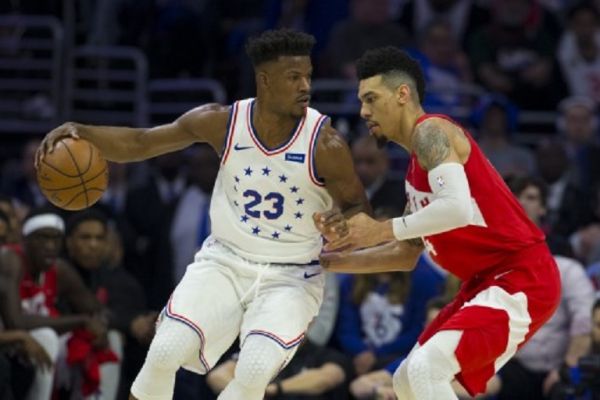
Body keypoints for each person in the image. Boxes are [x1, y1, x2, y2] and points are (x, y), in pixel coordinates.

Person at [36, 29, 369, 400]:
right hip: (224, 261)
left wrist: (345, 221)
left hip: (291, 275)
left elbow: (359, 207)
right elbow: (143, 142)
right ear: (264, 80)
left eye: (308, 75)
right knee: (164, 350)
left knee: (255, 369)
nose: (306, 85)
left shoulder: (326, 143)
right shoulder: (222, 123)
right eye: (294, 77)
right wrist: (84, 133)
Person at [315, 46, 561, 400]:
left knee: (425, 369)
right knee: (403, 381)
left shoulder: (432, 131)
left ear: (402, 94)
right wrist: (328, 261)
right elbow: (405, 255)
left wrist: (380, 228)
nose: (363, 111)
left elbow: (457, 208)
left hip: (521, 276)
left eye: (371, 98)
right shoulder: (416, 172)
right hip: (483, 284)